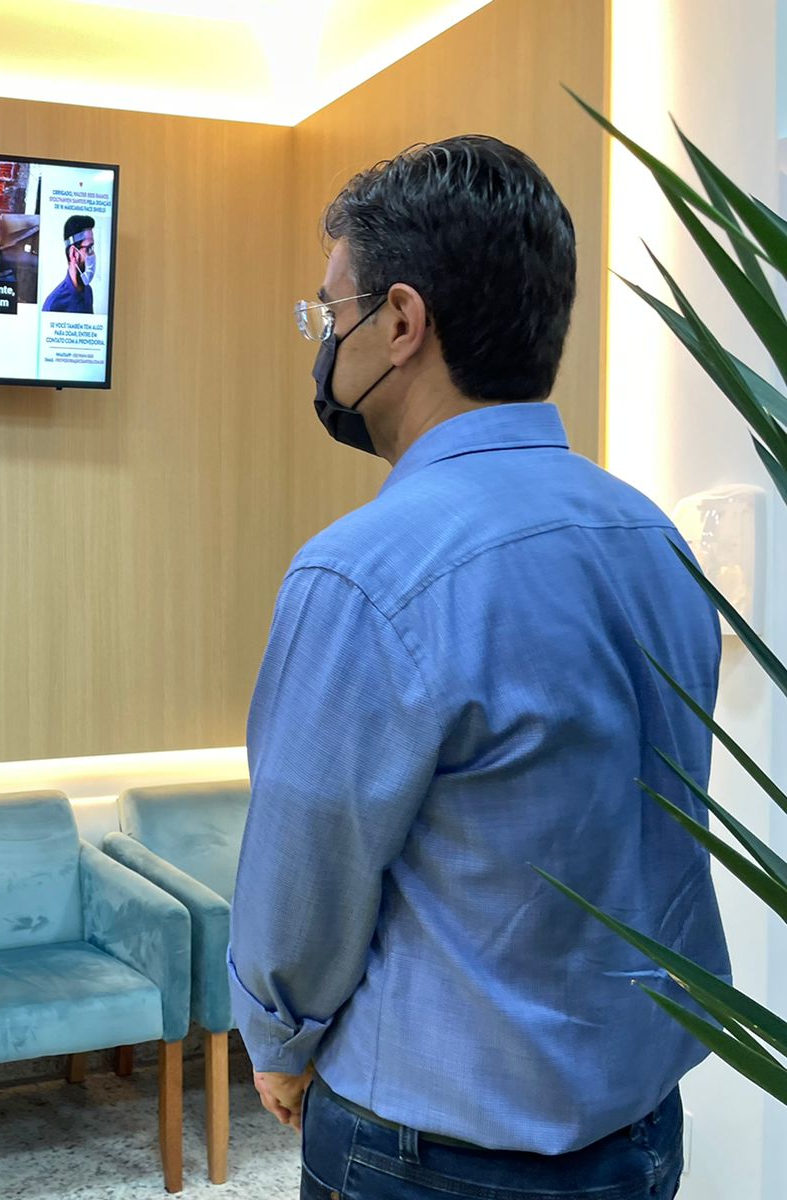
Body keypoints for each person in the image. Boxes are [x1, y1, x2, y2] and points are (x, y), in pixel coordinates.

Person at [227, 136, 729, 1200]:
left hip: (433, 1152)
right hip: (642, 1129)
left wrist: (278, 1039)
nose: (325, 341)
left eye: (332, 311)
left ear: (401, 322)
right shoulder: (655, 540)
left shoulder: (362, 573)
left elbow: (306, 866)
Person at [41, 214, 98, 314]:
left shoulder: (88, 291)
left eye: (92, 248)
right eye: (89, 248)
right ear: (74, 254)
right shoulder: (54, 305)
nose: (93, 254)